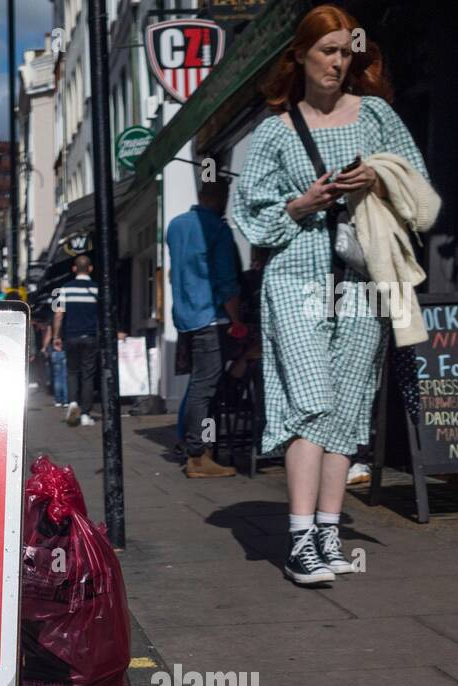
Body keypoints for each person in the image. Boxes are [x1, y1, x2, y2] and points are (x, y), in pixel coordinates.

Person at [231, 3, 429, 585]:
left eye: (347, 53)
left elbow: (417, 186)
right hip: (296, 277)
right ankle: (297, 541)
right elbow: (248, 212)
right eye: (327, 51)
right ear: (300, 54)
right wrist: (301, 204)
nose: (338, 63)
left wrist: (380, 177)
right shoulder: (273, 130)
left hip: (362, 277)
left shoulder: (376, 117)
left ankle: (326, 532)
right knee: (310, 398)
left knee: (345, 405)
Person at [166, 178, 243, 478]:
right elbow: (225, 279)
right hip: (210, 316)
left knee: (199, 384)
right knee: (205, 386)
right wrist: (237, 319)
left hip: (186, 316)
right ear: (221, 198)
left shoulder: (176, 226)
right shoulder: (218, 229)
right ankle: (198, 454)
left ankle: (200, 448)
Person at [51, 255, 100, 427]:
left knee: (72, 372)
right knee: (88, 375)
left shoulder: (61, 289)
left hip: (70, 337)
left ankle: (72, 402)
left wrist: (56, 336)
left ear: (74, 269)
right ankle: (86, 414)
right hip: (91, 337)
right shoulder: (97, 289)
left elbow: (57, 314)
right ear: (90, 269)